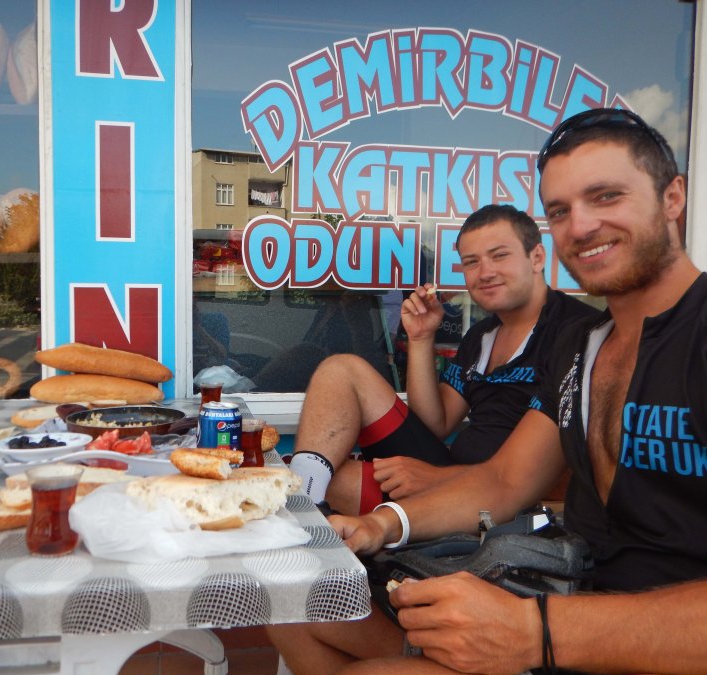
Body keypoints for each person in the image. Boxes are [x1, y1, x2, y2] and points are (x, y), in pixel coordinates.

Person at [268, 108, 707, 674]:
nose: (580, 226)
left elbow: (534, 497)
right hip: (560, 592)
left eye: (606, 196)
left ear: (673, 198)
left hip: (625, 640)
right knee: (291, 602)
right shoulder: (586, 347)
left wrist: (535, 631)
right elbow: (504, 480)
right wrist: (384, 523)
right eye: (560, 210)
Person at [288, 203, 598, 515]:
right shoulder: (481, 335)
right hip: (449, 476)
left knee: (333, 484)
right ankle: (302, 511)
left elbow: (568, 470)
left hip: (506, 504)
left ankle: (304, 516)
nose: (485, 272)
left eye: (499, 255)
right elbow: (435, 424)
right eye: (472, 262)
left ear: (537, 257)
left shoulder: (580, 333)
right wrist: (421, 338)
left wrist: (439, 478)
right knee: (339, 373)